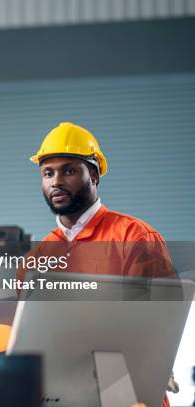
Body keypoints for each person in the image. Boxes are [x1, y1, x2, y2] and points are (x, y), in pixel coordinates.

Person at [23, 122, 175, 407]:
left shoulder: (134, 236)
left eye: (69, 170)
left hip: (127, 390)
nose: (56, 181)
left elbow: (161, 323)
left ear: (93, 174)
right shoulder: (37, 257)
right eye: (48, 173)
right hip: (61, 391)